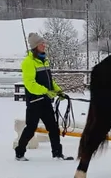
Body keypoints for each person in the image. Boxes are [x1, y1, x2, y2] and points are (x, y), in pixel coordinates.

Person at [14, 32, 73, 161]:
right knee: (31, 128)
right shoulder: (28, 62)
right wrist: (45, 91)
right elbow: (30, 84)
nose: (44, 45)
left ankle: (57, 154)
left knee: (53, 127)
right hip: (34, 101)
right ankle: (19, 153)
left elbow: (50, 81)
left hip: (45, 101)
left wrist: (58, 91)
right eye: (42, 43)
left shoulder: (44, 61)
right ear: (36, 46)